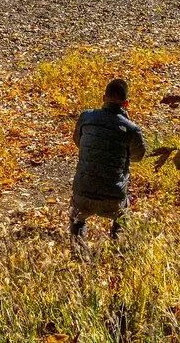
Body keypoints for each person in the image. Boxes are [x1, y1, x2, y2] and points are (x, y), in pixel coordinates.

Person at [70, 77, 147, 239]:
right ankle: (117, 246)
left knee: (77, 218)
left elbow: (79, 141)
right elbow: (138, 157)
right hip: (113, 197)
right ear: (126, 104)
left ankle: (77, 249)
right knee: (123, 215)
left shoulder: (86, 117)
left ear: (104, 98)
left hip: (83, 192)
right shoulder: (131, 129)